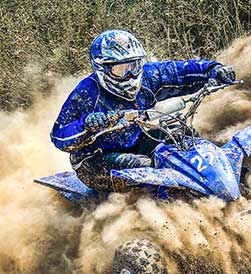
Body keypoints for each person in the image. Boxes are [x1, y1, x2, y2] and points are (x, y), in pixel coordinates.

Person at [50, 29, 236, 191]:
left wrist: (213, 69)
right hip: (94, 161)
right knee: (147, 170)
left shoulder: (148, 76)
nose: (131, 74)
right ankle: (163, 214)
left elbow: (179, 71)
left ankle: (220, 184)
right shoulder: (86, 92)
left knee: (183, 139)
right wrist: (87, 125)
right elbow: (58, 136)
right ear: (102, 69)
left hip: (134, 141)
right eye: (121, 69)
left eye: (134, 65)